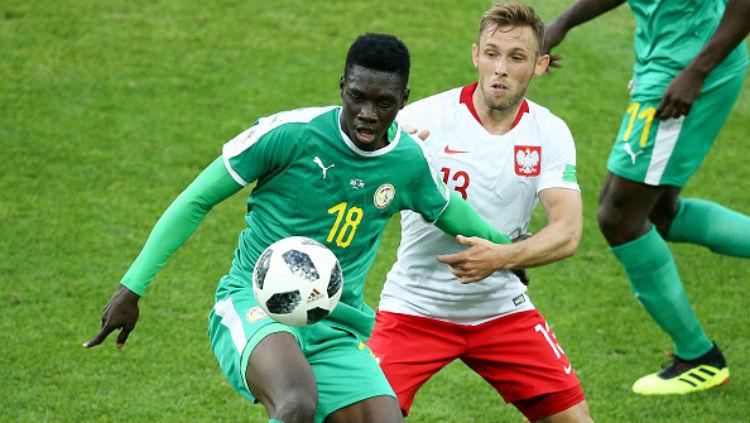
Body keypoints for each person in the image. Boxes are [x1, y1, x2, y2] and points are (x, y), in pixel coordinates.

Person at [82, 33, 516, 423]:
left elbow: (448, 211)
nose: (367, 114)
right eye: (357, 97)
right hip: (254, 305)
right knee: (295, 404)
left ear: (403, 98)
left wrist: (509, 252)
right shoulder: (288, 134)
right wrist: (132, 287)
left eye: (383, 103)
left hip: (336, 326)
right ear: (341, 86)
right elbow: (196, 199)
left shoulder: (407, 163)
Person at [367, 3, 592, 422]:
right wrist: (389, 157)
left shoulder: (549, 132)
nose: (500, 69)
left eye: (516, 57)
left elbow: (568, 231)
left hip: (502, 311)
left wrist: (501, 258)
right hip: (414, 309)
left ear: (540, 65)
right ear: (475, 55)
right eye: (492, 54)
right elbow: (361, 189)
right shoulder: (424, 120)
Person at [543, 0, 750, 396]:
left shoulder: (692, 69)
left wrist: (696, 72)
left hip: (687, 69)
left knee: (620, 216)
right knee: (658, 212)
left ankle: (699, 358)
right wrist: (565, 21)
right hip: (668, 60)